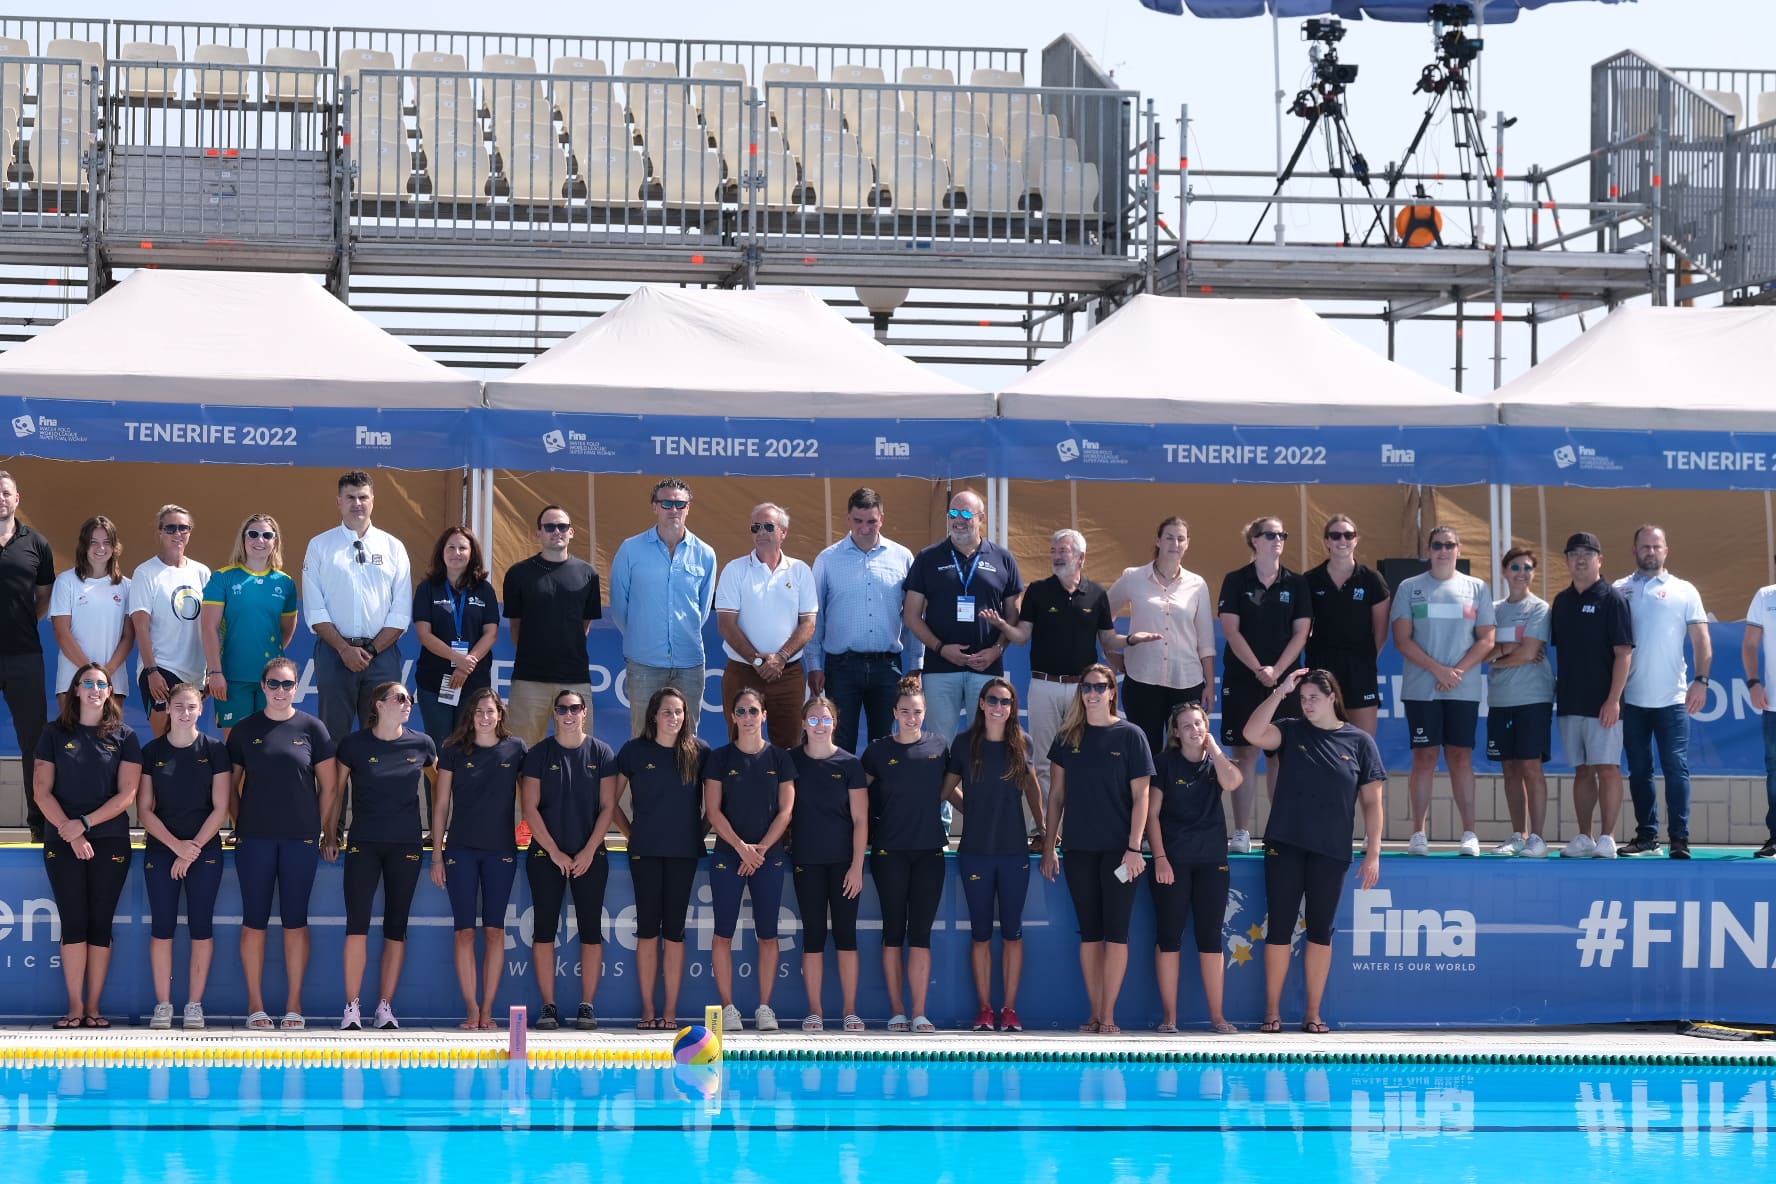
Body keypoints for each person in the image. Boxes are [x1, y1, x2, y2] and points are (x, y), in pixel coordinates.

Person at [1244, 668, 1384, 1034]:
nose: (1306, 705)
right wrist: (1280, 692)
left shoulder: (1359, 742)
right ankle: (1272, 1011)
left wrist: (1374, 853)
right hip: (1286, 844)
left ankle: (1313, 1013)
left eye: (1313, 698)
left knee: (1321, 930)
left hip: (1331, 850)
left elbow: (1372, 802)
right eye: (1302, 698)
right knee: (1280, 927)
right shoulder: (1290, 731)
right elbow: (1252, 733)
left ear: (1332, 698)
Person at [1039, 664, 1154, 1035]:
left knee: (1116, 932)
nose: (1091, 693)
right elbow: (1056, 796)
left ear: (1111, 692)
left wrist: (1134, 848)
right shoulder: (1067, 737)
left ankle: (1109, 1013)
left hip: (1121, 853)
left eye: (1099, 687)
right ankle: (1095, 1011)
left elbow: (1142, 797)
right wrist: (1049, 845)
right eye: (1085, 687)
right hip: (1079, 850)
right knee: (1089, 933)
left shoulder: (1131, 736)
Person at [228, 656, 339, 1032]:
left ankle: (294, 1004)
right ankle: (255, 1006)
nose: (280, 691)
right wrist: (238, 823)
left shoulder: (312, 728)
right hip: (255, 839)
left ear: (296, 687)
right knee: (253, 923)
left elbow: (330, 785)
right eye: (273, 684)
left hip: (299, 840)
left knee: (296, 923)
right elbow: (230, 785)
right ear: (263, 687)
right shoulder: (245, 730)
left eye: (287, 684)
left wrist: (322, 828)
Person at [32, 663, 140, 1029]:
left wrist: (87, 824)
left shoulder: (125, 736)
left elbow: (127, 795)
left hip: (109, 840)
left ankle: (94, 1008)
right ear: (76, 690)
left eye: (101, 683)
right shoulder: (53, 733)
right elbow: (41, 791)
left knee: (100, 924)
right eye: (87, 683)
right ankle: (75, 1007)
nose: (94, 688)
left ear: (110, 691)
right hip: (63, 840)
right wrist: (70, 831)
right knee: (74, 922)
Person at [329, 682, 436, 1031]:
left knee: (396, 927)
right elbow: (335, 791)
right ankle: (352, 1007)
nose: (407, 704)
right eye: (400, 698)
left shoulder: (422, 744)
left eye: (410, 700)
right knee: (356, 924)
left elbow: (443, 787)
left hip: (406, 846)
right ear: (379, 704)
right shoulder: (354, 745)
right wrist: (330, 832)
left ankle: (384, 1008)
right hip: (364, 844)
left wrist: (439, 833)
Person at [942, 677, 1043, 1034]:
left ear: (1012, 708)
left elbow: (1032, 788)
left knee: (1013, 933)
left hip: (1013, 852)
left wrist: (1044, 831)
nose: (1000, 707)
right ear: (981, 704)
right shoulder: (964, 744)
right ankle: (985, 1009)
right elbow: (945, 789)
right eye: (993, 700)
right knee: (981, 934)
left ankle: (1010, 1009)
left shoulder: (1022, 743)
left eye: (1006, 701)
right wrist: (970, 808)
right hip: (975, 853)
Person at [1389, 525, 1496, 857]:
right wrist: (1439, 671)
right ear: (1428, 550)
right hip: (1423, 688)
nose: (1444, 550)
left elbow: (1487, 640)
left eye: (1449, 545)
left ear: (1459, 549)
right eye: (1438, 545)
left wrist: (1457, 673)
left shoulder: (1477, 587)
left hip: (1462, 688)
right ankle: (1419, 834)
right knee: (1424, 758)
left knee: (1461, 757)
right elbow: (1402, 640)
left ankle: (1469, 833)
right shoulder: (1409, 588)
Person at [999, 529, 1115, 833]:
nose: (1057, 555)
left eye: (1063, 550)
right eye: (1053, 550)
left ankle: (1081, 826)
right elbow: (1022, 637)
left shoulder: (1097, 594)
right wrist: (1002, 626)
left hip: (1083, 690)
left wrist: (1133, 640)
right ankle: (1049, 829)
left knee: (1084, 758)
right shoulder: (1037, 590)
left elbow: (1109, 639)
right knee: (1043, 762)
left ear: (1081, 557)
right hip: (1044, 685)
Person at [521, 688, 618, 1031]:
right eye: (562, 708)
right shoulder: (538, 754)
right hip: (546, 854)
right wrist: (555, 852)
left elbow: (608, 807)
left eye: (574, 708)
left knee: (591, 931)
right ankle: (548, 1006)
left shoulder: (602, 752)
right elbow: (529, 808)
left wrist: (590, 850)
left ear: (584, 712)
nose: (568, 714)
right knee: (544, 930)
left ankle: (587, 1006)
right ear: (554, 713)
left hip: (590, 854)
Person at [138, 682, 231, 1030]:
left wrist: (190, 851)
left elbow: (220, 808)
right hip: (163, 850)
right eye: (178, 707)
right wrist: (176, 847)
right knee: (162, 928)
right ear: (167, 708)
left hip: (203, 850)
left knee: (200, 928)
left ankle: (194, 1004)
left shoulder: (215, 750)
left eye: (191, 707)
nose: (185, 713)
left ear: (200, 709)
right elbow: (145, 810)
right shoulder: (151, 751)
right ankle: (163, 1004)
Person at [614, 687, 709, 1031]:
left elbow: (713, 806)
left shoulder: (698, 753)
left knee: (675, 933)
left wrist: (697, 832)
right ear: (653, 715)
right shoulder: (634, 752)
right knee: (647, 932)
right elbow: (610, 803)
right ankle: (648, 1009)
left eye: (679, 712)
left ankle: (670, 1011)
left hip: (684, 855)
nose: (673, 718)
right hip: (646, 854)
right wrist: (631, 835)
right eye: (667, 712)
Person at [430, 689, 525, 1030]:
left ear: (500, 714)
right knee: (465, 932)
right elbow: (440, 806)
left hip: (501, 851)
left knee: (495, 932)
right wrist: (438, 856)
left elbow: (530, 800)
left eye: (490, 711)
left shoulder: (516, 749)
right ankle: (472, 1009)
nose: (485, 717)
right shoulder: (454, 750)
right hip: (461, 851)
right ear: (469, 716)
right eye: (478, 712)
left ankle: (488, 1010)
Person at [1614, 525, 1710, 859]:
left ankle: (1680, 839)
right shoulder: (1619, 589)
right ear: (1634, 550)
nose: (1650, 552)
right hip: (1632, 699)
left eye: (1656, 546)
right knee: (1639, 769)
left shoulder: (1685, 591)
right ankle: (1646, 837)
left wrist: (1702, 680)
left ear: (1666, 551)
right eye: (1644, 546)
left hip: (1672, 699)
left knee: (1675, 768)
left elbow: (1701, 640)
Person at [703, 686, 796, 1032]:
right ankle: (728, 1008)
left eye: (753, 711)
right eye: (740, 712)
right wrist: (742, 848)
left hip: (768, 858)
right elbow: (713, 810)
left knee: (768, 934)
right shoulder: (719, 758)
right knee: (723, 934)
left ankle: (764, 1007)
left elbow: (786, 811)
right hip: (729, 855)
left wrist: (759, 850)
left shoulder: (780, 759)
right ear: (732, 716)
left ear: (764, 715)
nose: (746, 718)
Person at [806, 487, 923, 758]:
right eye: (858, 521)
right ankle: (842, 801)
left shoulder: (903, 557)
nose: (865, 528)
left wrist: (916, 665)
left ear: (882, 518)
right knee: (839, 743)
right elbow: (816, 615)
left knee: (886, 745)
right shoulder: (827, 559)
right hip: (842, 666)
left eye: (871, 521)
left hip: (887, 666)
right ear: (848, 519)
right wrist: (813, 664)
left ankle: (879, 801)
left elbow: (913, 616)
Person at [1147, 701, 1242, 1034]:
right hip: (1172, 862)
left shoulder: (1216, 764)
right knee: (1169, 938)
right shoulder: (1164, 764)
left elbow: (1233, 782)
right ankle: (1170, 1017)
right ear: (1175, 732)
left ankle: (1218, 1017)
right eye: (1186, 725)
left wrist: (1214, 747)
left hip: (1211, 862)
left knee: (1210, 939)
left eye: (1199, 724)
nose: (1193, 730)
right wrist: (1160, 858)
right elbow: (1151, 815)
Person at [861, 676, 950, 1033]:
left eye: (917, 712)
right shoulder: (878, 751)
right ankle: (898, 1010)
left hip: (929, 851)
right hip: (889, 852)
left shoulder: (940, 747)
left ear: (925, 714)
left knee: (921, 934)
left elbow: (950, 792)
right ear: (894, 713)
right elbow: (856, 796)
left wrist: (977, 816)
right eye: (905, 712)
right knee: (893, 931)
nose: (911, 718)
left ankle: (920, 1012)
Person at [1217, 516, 1310, 854]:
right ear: (1254, 540)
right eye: (1269, 535)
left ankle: (1279, 830)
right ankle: (1241, 831)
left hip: (1284, 680)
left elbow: (1302, 632)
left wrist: (1279, 672)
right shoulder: (1235, 580)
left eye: (1281, 534)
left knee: (1280, 753)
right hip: (1244, 676)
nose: (1277, 540)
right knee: (1244, 752)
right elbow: (1231, 630)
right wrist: (1259, 668)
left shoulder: (1296, 584)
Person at [904, 488, 1024, 740]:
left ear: (981, 518)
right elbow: (912, 615)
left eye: (966, 513)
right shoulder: (928, 558)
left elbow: (1014, 616)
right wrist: (939, 648)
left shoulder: (1003, 558)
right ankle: (945, 783)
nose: (958, 520)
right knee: (939, 742)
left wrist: (997, 650)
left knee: (984, 741)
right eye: (953, 513)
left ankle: (975, 783)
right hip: (940, 668)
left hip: (986, 666)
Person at [301, 470, 412, 741]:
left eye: (363, 497)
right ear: (338, 501)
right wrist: (343, 648)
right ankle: (333, 787)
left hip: (382, 656)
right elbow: (315, 610)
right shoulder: (319, 546)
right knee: (332, 735)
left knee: (381, 734)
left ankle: (373, 786)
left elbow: (400, 612)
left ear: (373, 500)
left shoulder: (393, 547)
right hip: (334, 654)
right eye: (350, 497)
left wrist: (371, 650)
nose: (357, 503)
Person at [609, 478, 718, 737]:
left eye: (680, 504)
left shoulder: (705, 554)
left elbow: (701, 611)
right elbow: (619, 608)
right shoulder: (630, 549)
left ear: (688, 508)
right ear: (654, 507)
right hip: (644, 662)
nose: (673, 509)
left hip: (689, 662)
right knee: (643, 736)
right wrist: (644, 635)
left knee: (687, 737)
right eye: (666, 503)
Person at [1550, 532, 1634, 860]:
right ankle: (1584, 837)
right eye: (1573, 554)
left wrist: (1613, 700)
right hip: (1571, 701)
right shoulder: (1562, 602)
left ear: (1600, 560)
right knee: (1582, 770)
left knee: (1607, 768)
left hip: (1604, 704)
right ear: (1568, 560)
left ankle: (1607, 837)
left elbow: (1623, 653)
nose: (1580, 559)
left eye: (1588, 553)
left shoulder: (1612, 599)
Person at [788, 694, 868, 1033]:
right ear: (804, 724)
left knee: (846, 936)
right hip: (807, 861)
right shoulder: (791, 761)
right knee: (814, 936)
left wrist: (856, 867)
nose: (820, 726)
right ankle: (815, 1012)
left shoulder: (849, 764)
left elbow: (861, 820)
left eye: (825, 719)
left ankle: (850, 1010)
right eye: (813, 719)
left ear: (834, 723)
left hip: (843, 864)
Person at [1107, 517, 1216, 764]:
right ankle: (1146, 803)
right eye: (1169, 537)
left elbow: (1206, 639)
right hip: (1142, 678)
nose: (1174, 543)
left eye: (1180, 538)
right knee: (1145, 754)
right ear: (1158, 540)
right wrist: (1113, 652)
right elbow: (1102, 618)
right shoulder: (1133, 577)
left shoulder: (1197, 584)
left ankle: (1177, 804)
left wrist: (1209, 684)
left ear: (1188, 544)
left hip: (1187, 680)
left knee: (1185, 754)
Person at [715, 503, 818, 749]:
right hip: (743, 671)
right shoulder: (734, 569)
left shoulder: (801, 570)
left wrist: (781, 658)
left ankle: (786, 790)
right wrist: (758, 661)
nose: (761, 532)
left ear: (784, 532)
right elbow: (726, 625)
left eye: (768, 526)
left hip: (788, 672)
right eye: (756, 527)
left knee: (790, 746)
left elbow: (808, 624)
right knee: (740, 744)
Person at [502, 507, 601, 744]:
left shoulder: (589, 574)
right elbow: (515, 625)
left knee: (578, 751)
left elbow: (584, 625)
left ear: (571, 532)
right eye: (549, 527)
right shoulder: (518, 574)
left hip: (575, 678)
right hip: (529, 679)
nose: (556, 531)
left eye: (562, 527)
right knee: (521, 751)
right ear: (538, 533)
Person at [201, 514, 298, 735]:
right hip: (232, 677)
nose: (259, 540)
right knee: (236, 748)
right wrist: (215, 671)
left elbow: (286, 630)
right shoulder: (222, 578)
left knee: (269, 745)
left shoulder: (285, 583)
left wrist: (268, 654)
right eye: (253, 534)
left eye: (267, 535)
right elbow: (209, 628)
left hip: (273, 680)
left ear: (275, 541)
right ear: (243, 539)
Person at [1485, 547, 1554, 858]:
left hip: (1533, 698)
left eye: (1527, 567)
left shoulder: (1540, 609)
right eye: (1515, 567)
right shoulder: (1492, 610)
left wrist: (1499, 657)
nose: (1521, 572)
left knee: (1530, 766)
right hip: (1500, 700)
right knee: (1509, 769)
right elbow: (1480, 653)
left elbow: (1528, 653)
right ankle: (1518, 834)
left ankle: (1537, 838)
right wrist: (1504, 649)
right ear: (1504, 571)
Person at [0, 471, 56, 841]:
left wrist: (20, 623)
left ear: (17, 498)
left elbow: (44, 598)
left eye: (5, 493)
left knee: (33, 742)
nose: (0, 499)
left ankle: (38, 823)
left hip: (23, 655)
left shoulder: (36, 543)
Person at [1303, 514, 1391, 736]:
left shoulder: (1371, 579)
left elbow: (1381, 631)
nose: (1342, 540)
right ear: (1326, 541)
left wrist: (1365, 660)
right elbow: (1302, 629)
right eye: (1335, 535)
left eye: (1348, 535)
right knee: (1322, 741)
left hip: (1360, 670)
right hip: (1322, 667)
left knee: (1363, 742)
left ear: (1356, 540)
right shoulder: (1310, 580)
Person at [128, 505, 210, 740]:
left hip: (195, 674)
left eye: (183, 528)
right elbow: (140, 626)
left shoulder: (201, 572)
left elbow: (210, 626)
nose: (177, 533)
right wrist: (151, 670)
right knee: (165, 741)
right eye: (171, 528)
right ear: (160, 532)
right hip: (162, 669)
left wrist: (210, 672)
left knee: (187, 741)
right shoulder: (145, 572)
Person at [413, 526, 500, 745]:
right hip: (435, 681)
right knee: (440, 746)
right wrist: (458, 658)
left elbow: (491, 633)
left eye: (463, 547)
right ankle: (437, 782)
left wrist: (465, 665)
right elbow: (424, 634)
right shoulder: (427, 588)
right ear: (441, 552)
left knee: (469, 746)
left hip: (474, 681)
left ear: (472, 553)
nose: (456, 552)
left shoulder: (484, 589)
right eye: (450, 547)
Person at [49, 515, 134, 709]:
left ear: (114, 547)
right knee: (72, 739)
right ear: (84, 546)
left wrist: (106, 673)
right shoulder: (66, 581)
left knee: (109, 739)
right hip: (72, 680)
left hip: (113, 682)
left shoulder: (127, 587)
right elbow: (61, 632)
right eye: (94, 542)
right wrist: (89, 673)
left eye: (106, 542)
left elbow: (129, 636)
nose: (100, 548)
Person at [1742, 578, 1776, 858]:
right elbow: (1751, 644)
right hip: (1774, 704)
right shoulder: (1766, 596)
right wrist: (1753, 682)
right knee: (1775, 773)